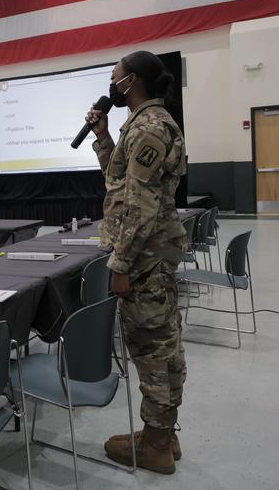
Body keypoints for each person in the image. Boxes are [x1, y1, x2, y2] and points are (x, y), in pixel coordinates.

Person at [85, 51, 187, 475]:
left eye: (115, 78)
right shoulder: (144, 126)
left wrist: (121, 263)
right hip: (152, 256)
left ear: (132, 83)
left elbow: (139, 206)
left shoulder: (149, 129)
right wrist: (104, 136)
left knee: (151, 349)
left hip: (143, 259)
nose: (111, 85)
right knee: (164, 346)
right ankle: (162, 432)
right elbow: (119, 179)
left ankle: (157, 446)